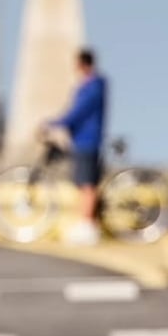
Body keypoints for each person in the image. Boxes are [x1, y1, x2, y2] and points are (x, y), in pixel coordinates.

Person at [44, 48, 107, 246]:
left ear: (82, 64)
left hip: (87, 140)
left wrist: (54, 123)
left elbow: (78, 112)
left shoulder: (92, 87)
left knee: (87, 184)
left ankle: (87, 226)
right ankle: (87, 223)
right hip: (81, 139)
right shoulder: (90, 86)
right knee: (83, 183)